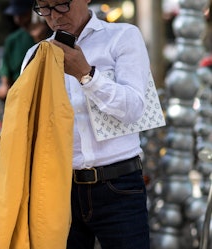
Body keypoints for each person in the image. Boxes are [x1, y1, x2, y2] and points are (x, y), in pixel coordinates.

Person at [21, 0, 152, 248]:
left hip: (118, 184)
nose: (54, 16)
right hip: (59, 187)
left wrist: (86, 75)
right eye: (45, 8)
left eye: (62, 4)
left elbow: (134, 108)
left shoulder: (122, 36)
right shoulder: (36, 56)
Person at [0, 0, 51, 100]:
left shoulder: (53, 34)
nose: (19, 19)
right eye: (16, 15)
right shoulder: (13, 41)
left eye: (23, 14)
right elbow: (5, 86)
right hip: (21, 99)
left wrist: (40, 40)